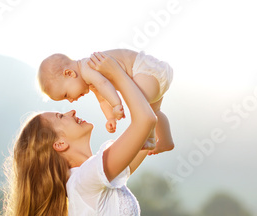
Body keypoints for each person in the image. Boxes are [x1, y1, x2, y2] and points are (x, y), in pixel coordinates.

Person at [0, 53, 157, 216]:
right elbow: (145, 120)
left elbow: (152, 135)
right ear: (59, 144)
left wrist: (146, 78)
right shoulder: (87, 178)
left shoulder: (94, 176)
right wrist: (115, 74)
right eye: (61, 116)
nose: (71, 111)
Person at [38, 49, 174, 155]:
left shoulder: (87, 66)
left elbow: (103, 83)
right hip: (152, 75)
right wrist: (110, 117)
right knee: (154, 111)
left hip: (145, 70)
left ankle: (149, 137)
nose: (71, 100)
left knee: (138, 103)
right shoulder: (90, 80)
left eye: (66, 95)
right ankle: (166, 140)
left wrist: (116, 104)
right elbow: (102, 100)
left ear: (69, 73)